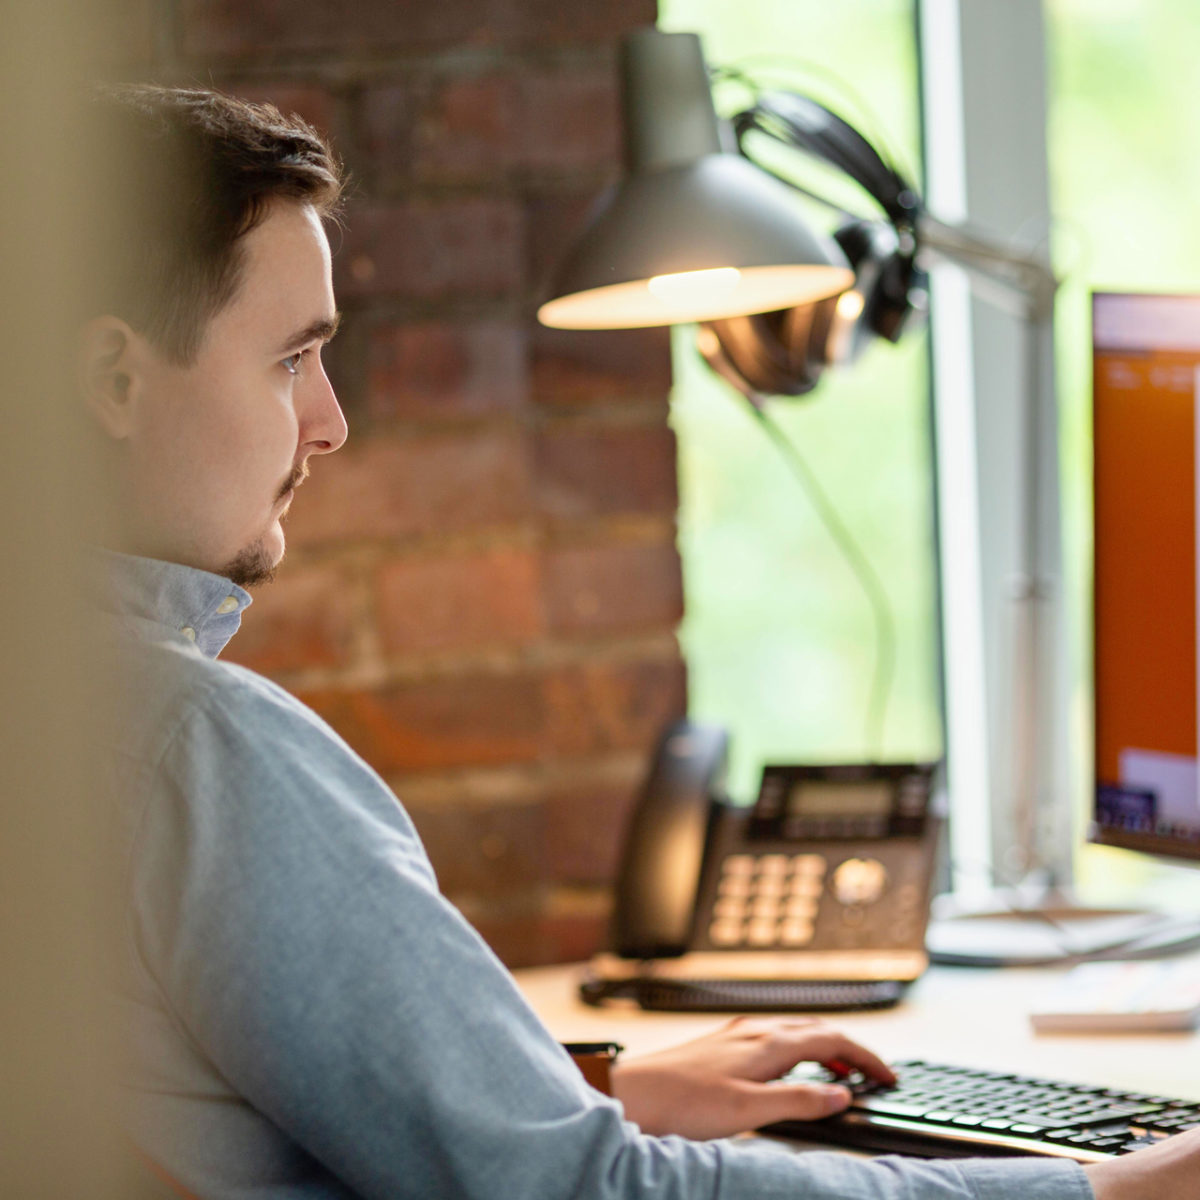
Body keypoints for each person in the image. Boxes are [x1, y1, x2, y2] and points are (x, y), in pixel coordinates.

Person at [84, 83, 1196, 1200]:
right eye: (289, 361)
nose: (329, 422)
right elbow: (596, 1199)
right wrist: (1114, 1194)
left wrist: (589, 1095)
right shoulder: (191, 752)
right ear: (115, 381)